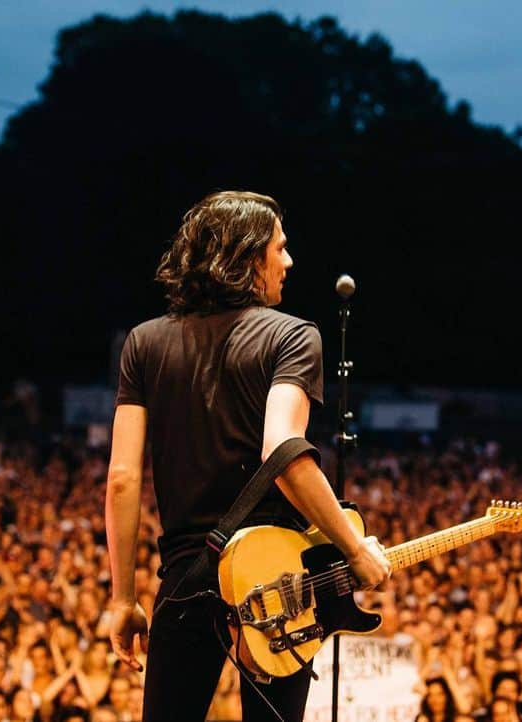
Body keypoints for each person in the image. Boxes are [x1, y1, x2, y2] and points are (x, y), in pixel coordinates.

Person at [105, 190, 391, 722]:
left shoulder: (142, 343)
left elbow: (122, 479)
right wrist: (353, 548)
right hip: (277, 585)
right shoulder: (293, 336)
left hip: (186, 579)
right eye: (279, 248)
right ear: (247, 256)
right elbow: (282, 450)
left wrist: (123, 599)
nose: (289, 261)